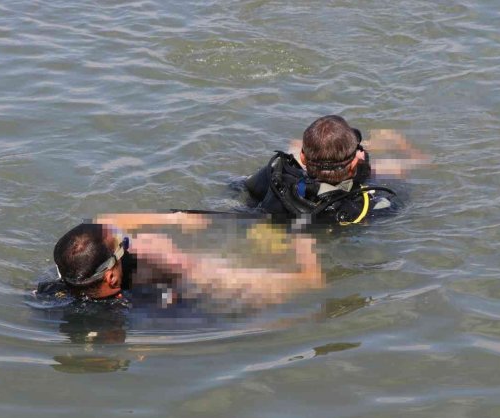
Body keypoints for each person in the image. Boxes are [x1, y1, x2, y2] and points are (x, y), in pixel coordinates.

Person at [44, 212, 323, 309]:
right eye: (123, 247)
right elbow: (312, 284)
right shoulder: (162, 290)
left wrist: (175, 219)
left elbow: (103, 223)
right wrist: (305, 244)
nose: (128, 246)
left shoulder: (51, 293)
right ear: (111, 277)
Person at [244, 115, 427, 225]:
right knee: (400, 169)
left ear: (302, 158)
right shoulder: (366, 207)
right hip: (350, 180)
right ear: (356, 162)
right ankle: (412, 154)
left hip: (316, 178)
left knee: (295, 144)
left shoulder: (277, 178)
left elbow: (244, 188)